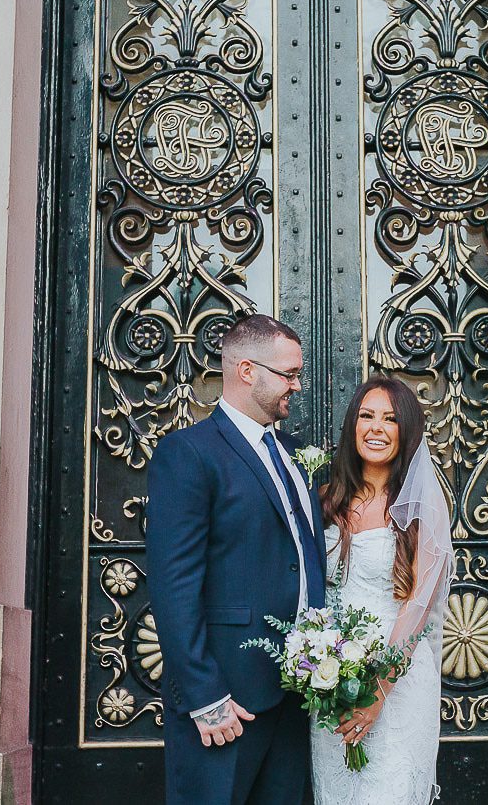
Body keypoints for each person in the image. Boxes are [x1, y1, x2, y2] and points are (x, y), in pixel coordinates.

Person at [145, 314, 327, 805]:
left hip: (294, 690)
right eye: (288, 374)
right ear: (247, 370)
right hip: (227, 697)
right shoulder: (189, 453)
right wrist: (205, 696)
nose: (297, 385)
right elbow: (174, 585)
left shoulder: (291, 451)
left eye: (298, 373)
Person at [311, 376, 453, 804]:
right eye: (366, 416)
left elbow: (416, 606)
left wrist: (378, 692)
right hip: (332, 677)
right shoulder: (325, 500)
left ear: (405, 431)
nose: (376, 428)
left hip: (398, 680)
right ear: (353, 425)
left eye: (390, 419)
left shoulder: (421, 507)